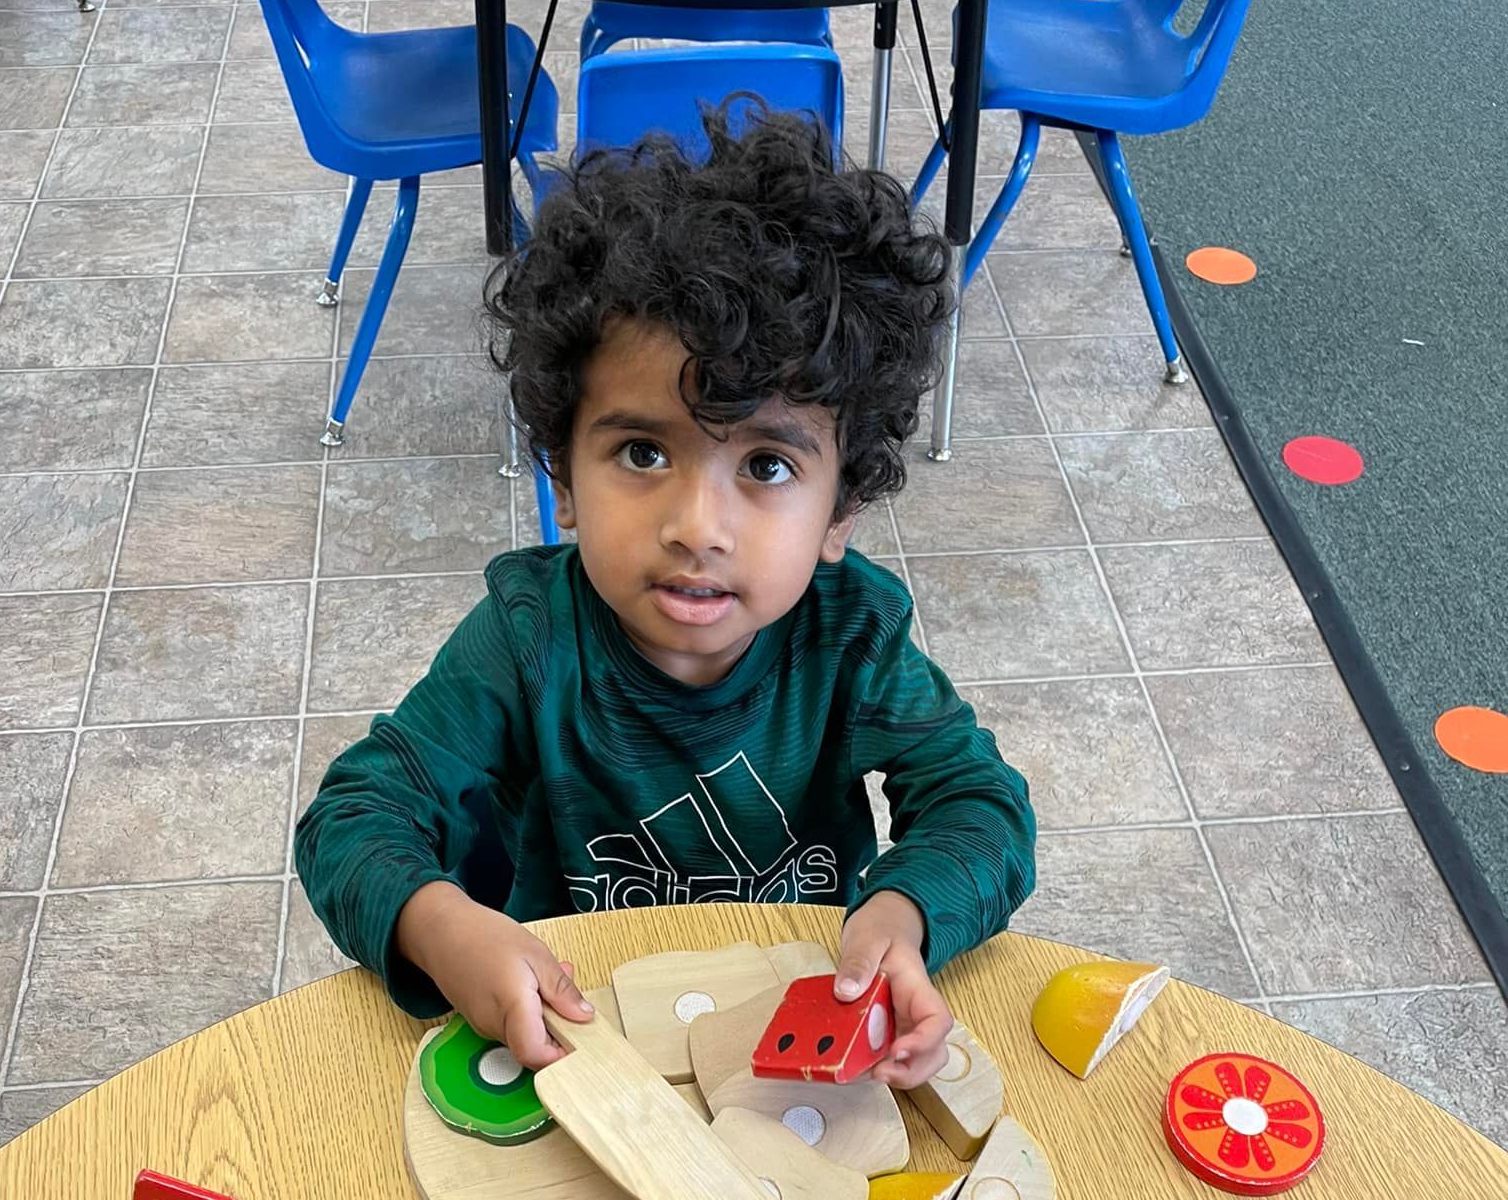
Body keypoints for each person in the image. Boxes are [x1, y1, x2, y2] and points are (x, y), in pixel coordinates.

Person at [295, 106, 1036, 1088]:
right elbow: (355, 815)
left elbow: (981, 804)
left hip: (789, 1048)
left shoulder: (852, 638)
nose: (696, 522)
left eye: (767, 464)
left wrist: (899, 915)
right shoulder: (527, 640)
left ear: (841, 513)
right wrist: (447, 929)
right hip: (582, 1042)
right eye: (643, 451)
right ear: (562, 475)